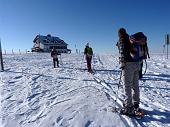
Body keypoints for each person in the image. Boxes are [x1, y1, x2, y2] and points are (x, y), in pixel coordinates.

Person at [116, 28, 140, 115]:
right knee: (135, 85)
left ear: (119, 33)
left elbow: (122, 52)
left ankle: (129, 107)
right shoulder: (130, 39)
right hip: (136, 64)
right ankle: (136, 104)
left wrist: (122, 64)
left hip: (128, 65)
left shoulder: (122, 40)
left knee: (127, 86)